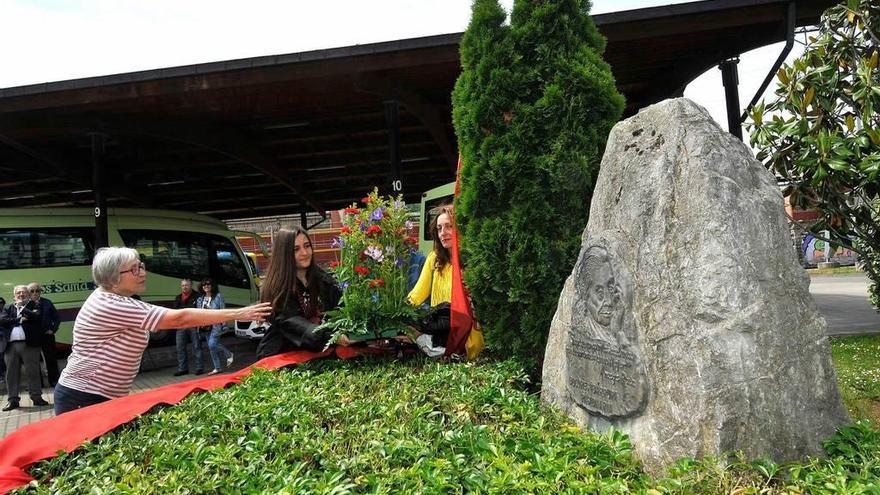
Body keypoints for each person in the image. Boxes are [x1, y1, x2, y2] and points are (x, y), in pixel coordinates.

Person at [54, 247, 271, 415]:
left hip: (101, 395)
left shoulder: (117, 299)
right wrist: (239, 314)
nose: (143, 273)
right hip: (84, 396)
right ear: (113, 278)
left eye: (141, 265)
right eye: (134, 269)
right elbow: (180, 318)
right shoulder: (110, 303)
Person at [256, 226, 344, 358]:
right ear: (284, 253)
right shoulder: (277, 288)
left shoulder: (325, 281)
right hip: (283, 356)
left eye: (307, 246)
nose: (304, 253)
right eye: (296, 249)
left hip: (322, 353)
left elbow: (341, 310)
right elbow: (292, 322)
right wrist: (333, 336)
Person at [0, 286, 49, 410]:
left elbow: (36, 317)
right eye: (18, 293)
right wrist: (19, 320)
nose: (21, 294)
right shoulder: (7, 307)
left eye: (24, 292)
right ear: (14, 296)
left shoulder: (34, 305)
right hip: (11, 346)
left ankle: (36, 397)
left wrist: (22, 307)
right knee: (11, 374)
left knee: (33, 371)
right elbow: (2, 320)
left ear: (28, 295)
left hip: (29, 345)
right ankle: (13, 400)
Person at [198, 278, 233, 376]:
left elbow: (223, 311)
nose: (206, 286)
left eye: (208, 284)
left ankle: (229, 354)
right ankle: (217, 368)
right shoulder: (200, 299)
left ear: (212, 286)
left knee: (212, 344)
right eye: (204, 285)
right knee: (211, 348)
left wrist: (225, 325)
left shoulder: (218, 296)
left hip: (216, 325)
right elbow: (198, 313)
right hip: (205, 326)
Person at [28, 283, 60, 386]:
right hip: (33, 337)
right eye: (32, 291)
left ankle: (54, 381)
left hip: (47, 335)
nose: (35, 293)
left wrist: (53, 329)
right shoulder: (26, 305)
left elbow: (57, 318)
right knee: (34, 361)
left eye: (37, 290)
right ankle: (38, 384)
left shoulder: (47, 302)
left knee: (51, 359)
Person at [173, 279, 203, 376]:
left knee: (196, 347)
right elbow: (175, 311)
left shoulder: (198, 296)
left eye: (186, 285)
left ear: (191, 285)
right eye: (183, 285)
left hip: (194, 326)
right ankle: (183, 369)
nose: (184, 287)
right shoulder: (178, 297)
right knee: (180, 348)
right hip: (181, 326)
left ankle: (199, 368)